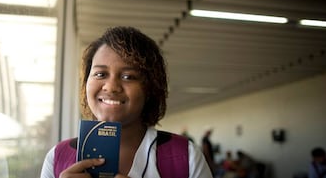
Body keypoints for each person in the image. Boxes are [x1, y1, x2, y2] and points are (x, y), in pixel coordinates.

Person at [40, 26, 213, 178]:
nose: (111, 87)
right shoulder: (58, 158)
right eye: (100, 74)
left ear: (150, 88)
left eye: (128, 77)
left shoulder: (184, 157)